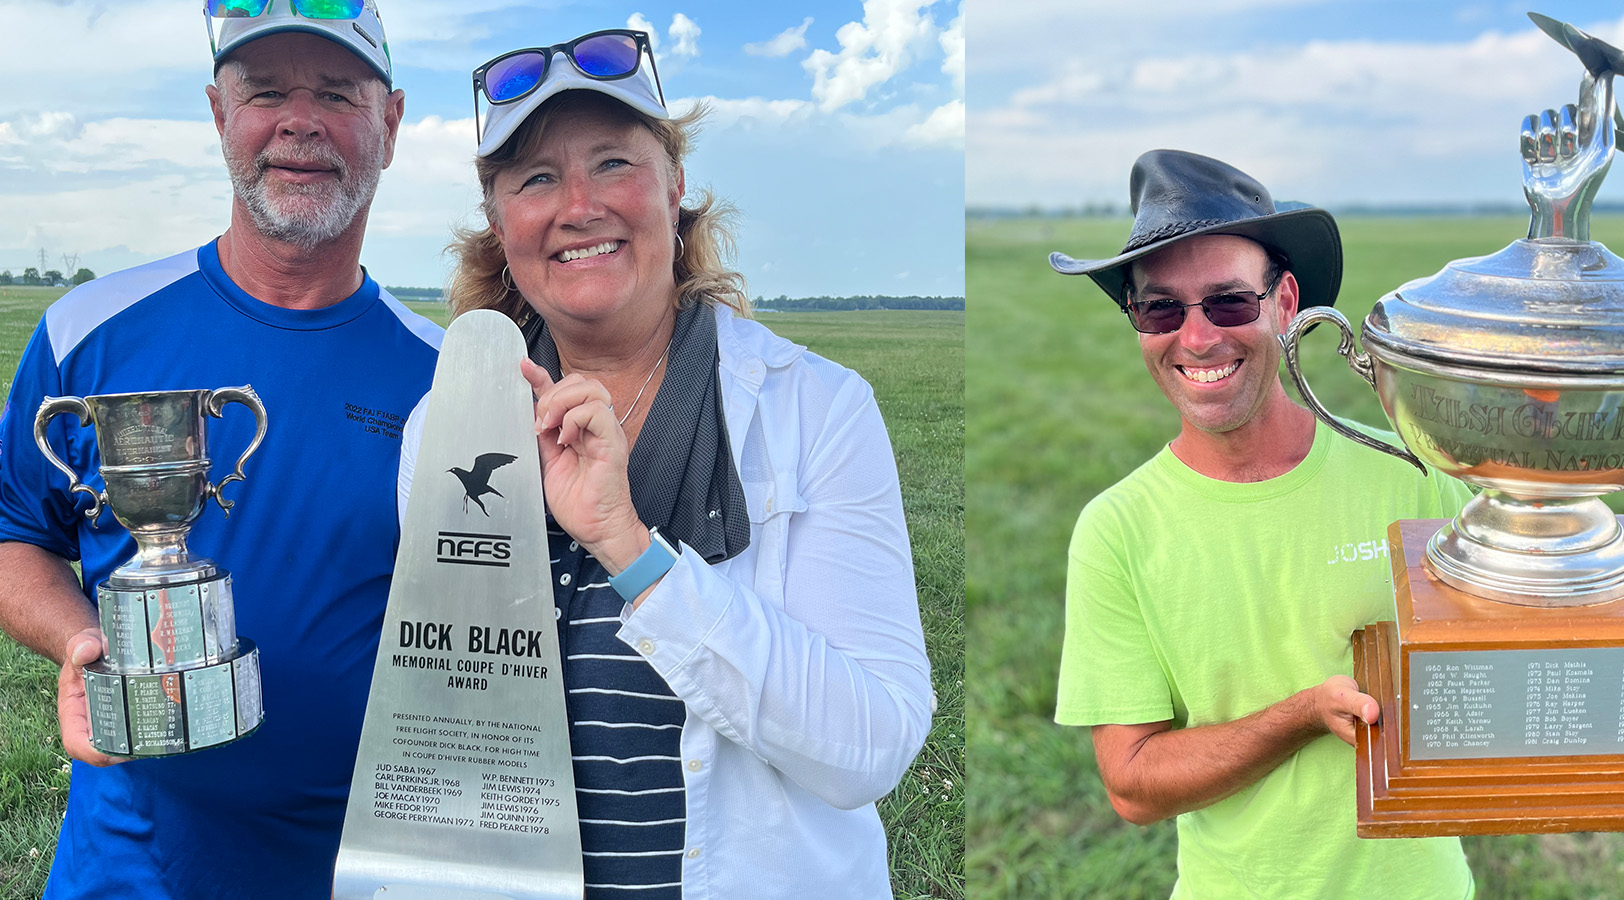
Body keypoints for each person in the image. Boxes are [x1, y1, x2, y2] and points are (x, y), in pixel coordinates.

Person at [397, 27, 933, 899]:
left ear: (675, 187)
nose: (579, 206)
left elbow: (873, 745)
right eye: (536, 178)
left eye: (613, 163)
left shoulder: (817, 410)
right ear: (499, 223)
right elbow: (447, 711)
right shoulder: (445, 431)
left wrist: (631, 548)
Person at [0, 4, 440, 898]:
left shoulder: (444, 379)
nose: (299, 122)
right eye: (265, 92)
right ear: (217, 113)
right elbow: (15, 537)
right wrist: (88, 644)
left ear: (391, 124)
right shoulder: (88, 331)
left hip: (357, 872)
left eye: (337, 94)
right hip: (126, 871)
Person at [1047, 151, 1475, 899]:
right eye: (1161, 310)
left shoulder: (1414, 475)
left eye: (1228, 303)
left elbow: (1519, 662)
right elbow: (1132, 783)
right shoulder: (1115, 530)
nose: (1197, 338)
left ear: (1285, 303)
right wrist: (1304, 714)